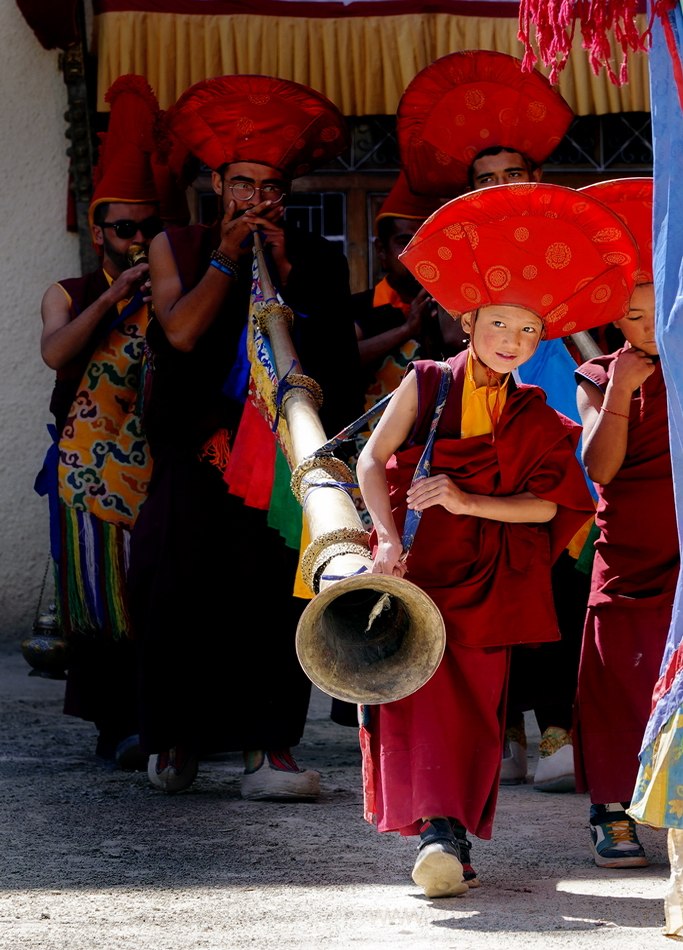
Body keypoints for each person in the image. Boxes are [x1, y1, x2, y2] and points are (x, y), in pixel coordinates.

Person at [355, 180, 638, 898]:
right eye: (499, 326)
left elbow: (551, 508)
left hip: (488, 581)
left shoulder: (537, 413)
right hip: (420, 571)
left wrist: (465, 497)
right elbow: (366, 458)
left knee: (476, 711)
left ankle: (452, 834)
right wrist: (385, 541)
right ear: (467, 318)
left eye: (526, 333)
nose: (512, 343)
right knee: (413, 697)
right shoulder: (424, 381)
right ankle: (435, 833)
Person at [126, 74, 364, 798]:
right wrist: (228, 258)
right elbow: (181, 330)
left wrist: (290, 280)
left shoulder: (315, 256)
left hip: (279, 459)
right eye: (241, 183)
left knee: (273, 600)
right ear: (217, 184)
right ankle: (177, 742)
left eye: (269, 186)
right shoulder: (180, 244)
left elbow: (339, 366)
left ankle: (272, 749)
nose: (255, 197)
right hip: (199, 450)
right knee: (178, 594)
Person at [397, 48, 595, 792]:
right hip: (472, 477)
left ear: (534, 179)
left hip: (549, 463)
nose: (500, 187)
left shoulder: (567, 274)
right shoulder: (465, 288)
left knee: (552, 593)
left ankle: (554, 726)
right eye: (484, 181)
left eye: (512, 174)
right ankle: (502, 732)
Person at [36, 76, 167, 769]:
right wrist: (114, 295)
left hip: (156, 466)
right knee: (100, 605)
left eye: (149, 227)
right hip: (87, 471)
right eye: (123, 228)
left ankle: (156, 720)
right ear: (97, 231)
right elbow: (56, 351)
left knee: (153, 599)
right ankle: (111, 725)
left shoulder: (176, 293)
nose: (138, 239)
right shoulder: (72, 292)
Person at [572, 177, 679, 869]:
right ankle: (609, 805)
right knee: (616, 678)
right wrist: (619, 393)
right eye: (634, 316)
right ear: (615, 320)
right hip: (628, 548)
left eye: (659, 309)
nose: (649, 326)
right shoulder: (596, 374)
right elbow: (600, 467)